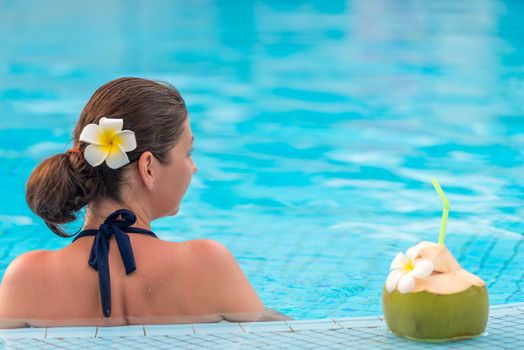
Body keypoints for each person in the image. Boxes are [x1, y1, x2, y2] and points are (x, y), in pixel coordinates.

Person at [0, 77, 288, 328]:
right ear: (148, 167)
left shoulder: (27, 278)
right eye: (187, 153)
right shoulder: (206, 265)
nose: (193, 167)